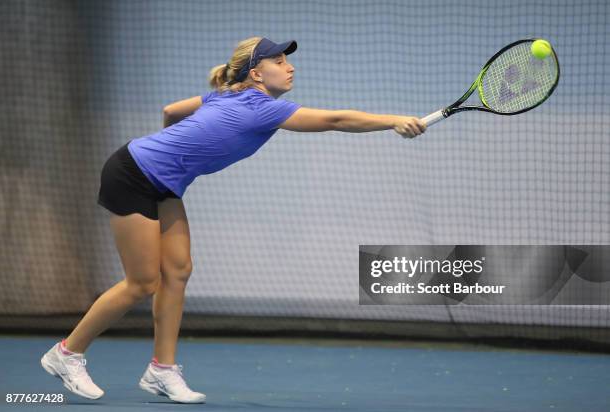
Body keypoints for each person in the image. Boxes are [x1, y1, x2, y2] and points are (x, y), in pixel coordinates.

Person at [40, 36, 426, 404]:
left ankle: (162, 369)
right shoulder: (263, 107)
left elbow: (171, 111)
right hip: (132, 174)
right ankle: (66, 353)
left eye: (288, 60)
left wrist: (176, 155)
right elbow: (336, 120)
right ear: (256, 74)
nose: (289, 68)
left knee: (178, 271)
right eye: (279, 61)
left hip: (163, 179)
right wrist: (393, 119)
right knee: (143, 282)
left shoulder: (225, 94)